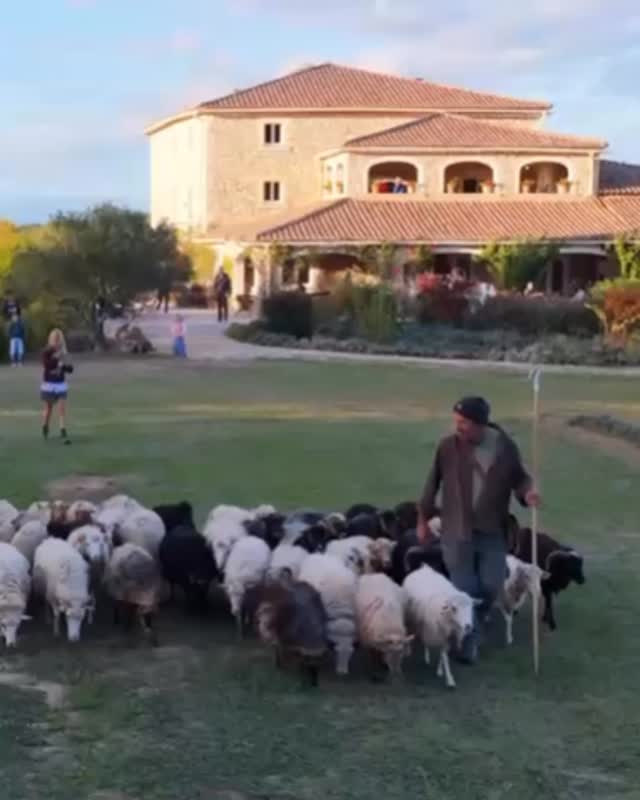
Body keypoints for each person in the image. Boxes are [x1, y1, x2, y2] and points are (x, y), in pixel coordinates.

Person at [417, 396, 540, 664]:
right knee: (465, 587)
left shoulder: (504, 447)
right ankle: (468, 640)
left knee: (492, 583)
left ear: (480, 424)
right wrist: (422, 519)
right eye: (456, 421)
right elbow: (432, 483)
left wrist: (528, 492)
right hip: (455, 529)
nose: (457, 427)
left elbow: (520, 477)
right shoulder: (448, 446)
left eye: (464, 423)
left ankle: (478, 618)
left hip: (492, 529)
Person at [41, 329, 74, 445]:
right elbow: (46, 365)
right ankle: (45, 425)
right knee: (48, 409)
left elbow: (70, 369)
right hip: (49, 384)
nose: (57, 342)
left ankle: (62, 429)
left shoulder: (64, 353)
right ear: (51, 340)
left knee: (61, 408)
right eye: (55, 340)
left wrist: (63, 365)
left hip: (60, 383)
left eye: (59, 340)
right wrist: (56, 359)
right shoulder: (47, 351)